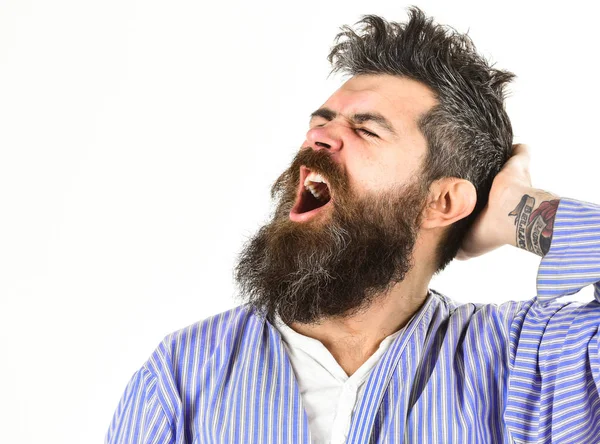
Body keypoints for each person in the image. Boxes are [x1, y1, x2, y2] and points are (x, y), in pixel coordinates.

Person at [106, 6, 600, 443]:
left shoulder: (522, 365)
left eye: (366, 128)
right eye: (322, 120)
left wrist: (525, 213)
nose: (319, 136)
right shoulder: (183, 375)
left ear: (444, 201)